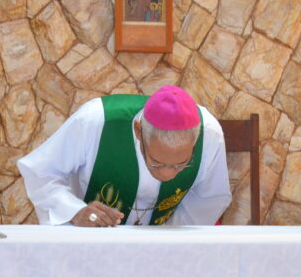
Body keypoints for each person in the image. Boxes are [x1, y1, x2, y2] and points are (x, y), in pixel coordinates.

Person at [18, 85, 231, 227]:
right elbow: (41, 173)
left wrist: (167, 240)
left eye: (181, 164)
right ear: (138, 131)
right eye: (156, 162)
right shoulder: (96, 121)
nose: (167, 174)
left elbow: (209, 199)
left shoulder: (209, 136)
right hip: (92, 244)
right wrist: (75, 211)